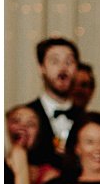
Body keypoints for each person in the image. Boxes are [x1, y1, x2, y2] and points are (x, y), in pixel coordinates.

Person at [23, 37, 81, 167]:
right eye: (55, 61)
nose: (63, 68)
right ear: (41, 67)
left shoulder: (85, 119)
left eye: (69, 61)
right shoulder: (23, 117)